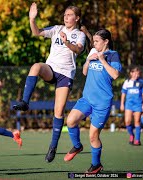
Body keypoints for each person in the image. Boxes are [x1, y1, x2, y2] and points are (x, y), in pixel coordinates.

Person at [12, 2, 87, 163]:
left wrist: (67, 42)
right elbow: (37, 32)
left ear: (77, 18)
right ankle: (25, 102)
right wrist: (32, 19)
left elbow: (78, 50)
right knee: (36, 66)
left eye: (69, 15)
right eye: (65, 15)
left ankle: (53, 147)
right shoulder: (57, 28)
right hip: (51, 69)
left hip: (65, 75)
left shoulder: (79, 34)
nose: (66, 17)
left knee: (58, 112)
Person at [63, 28, 122, 173]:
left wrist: (102, 59)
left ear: (106, 41)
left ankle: (96, 165)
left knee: (93, 136)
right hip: (87, 99)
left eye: (97, 41)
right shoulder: (92, 52)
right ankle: (77, 146)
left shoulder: (113, 55)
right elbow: (84, 72)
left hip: (102, 102)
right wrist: (88, 60)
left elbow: (115, 75)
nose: (94, 44)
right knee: (70, 121)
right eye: (93, 41)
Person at [120, 66, 143, 146]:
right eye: (134, 73)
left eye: (138, 73)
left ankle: (137, 140)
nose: (136, 75)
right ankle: (131, 135)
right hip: (129, 104)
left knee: (137, 121)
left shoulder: (141, 82)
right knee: (127, 121)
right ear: (131, 73)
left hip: (138, 105)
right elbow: (123, 93)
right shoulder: (127, 82)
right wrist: (122, 104)